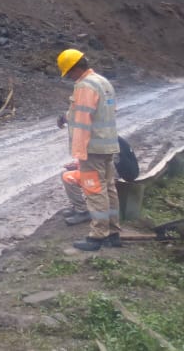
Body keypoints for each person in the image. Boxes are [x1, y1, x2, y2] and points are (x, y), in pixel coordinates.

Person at [56, 49, 121, 251]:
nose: (69, 77)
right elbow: (97, 112)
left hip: (92, 149)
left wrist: (78, 153)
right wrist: (67, 116)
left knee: (94, 191)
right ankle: (113, 233)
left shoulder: (84, 86)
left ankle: (98, 236)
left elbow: (84, 121)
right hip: (107, 146)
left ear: (76, 68)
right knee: (108, 189)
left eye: (69, 73)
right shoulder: (102, 82)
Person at [61, 135, 137, 225]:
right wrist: (78, 164)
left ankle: (83, 211)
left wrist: (79, 166)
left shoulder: (95, 140)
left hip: (115, 175)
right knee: (66, 173)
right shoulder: (106, 136)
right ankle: (80, 207)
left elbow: (97, 165)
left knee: (67, 177)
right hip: (117, 171)